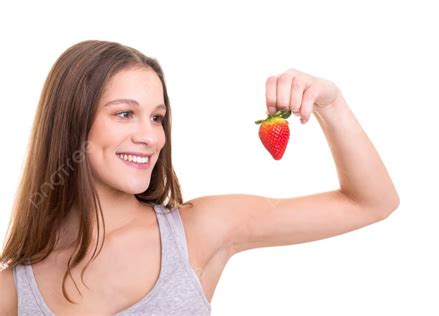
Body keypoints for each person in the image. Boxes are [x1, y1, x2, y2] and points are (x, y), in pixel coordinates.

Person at [0, 40, 400, 315]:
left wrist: (332, 104)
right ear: (72, 124)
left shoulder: (197, 231)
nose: (150, 136)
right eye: (125, 113)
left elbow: (370, 202)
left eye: (157, 117)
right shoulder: (15, 290)